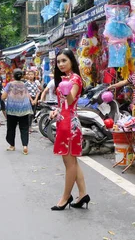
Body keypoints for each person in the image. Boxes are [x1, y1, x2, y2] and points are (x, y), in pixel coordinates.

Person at [49, 48, 89, 211]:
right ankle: (83, 194)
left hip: (69, 125)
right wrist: (55, 111)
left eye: (64, 60)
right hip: (63, 122)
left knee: (69, 163)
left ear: (72, 61)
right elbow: (63, 105)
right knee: (72, 162)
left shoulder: (75, 79)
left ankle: (65, 197)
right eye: (58, 61)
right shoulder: (65, 78)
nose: (61, 64)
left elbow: (71, 99)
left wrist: (66, 91)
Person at [1, 69, 33, 155]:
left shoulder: (10, 84)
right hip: (24, 109)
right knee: (24, 128)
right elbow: (27, 95)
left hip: (12, 110)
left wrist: (3, 99)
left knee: (11, 128)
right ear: (22, 76)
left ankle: (12, 145)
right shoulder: (24, 85)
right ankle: (25, 146)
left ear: (13, 76)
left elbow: (3, 96)